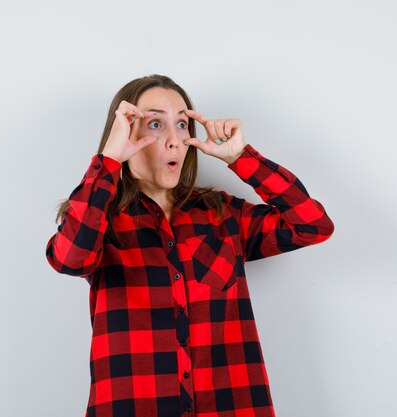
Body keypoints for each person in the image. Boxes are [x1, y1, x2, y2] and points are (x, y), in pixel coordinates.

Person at [45, 74, 334, 417]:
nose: (174, 140)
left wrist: (241, 156)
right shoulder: (97, 218)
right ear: (124, 133)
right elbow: (70, 259)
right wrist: (109, 159)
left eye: (182, 124)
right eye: (155, 123)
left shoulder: (224, 214)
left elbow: (312, 225)